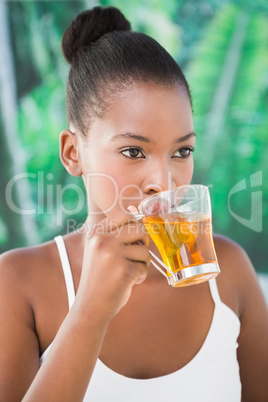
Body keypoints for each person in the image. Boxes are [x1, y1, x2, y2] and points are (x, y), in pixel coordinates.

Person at [0, 6, 267, 402]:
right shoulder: (17, 283)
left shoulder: (228, 273)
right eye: (133, 151)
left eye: (181, 152)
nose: (163, 182)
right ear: (73, 153)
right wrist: (90, 312)